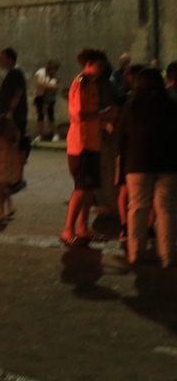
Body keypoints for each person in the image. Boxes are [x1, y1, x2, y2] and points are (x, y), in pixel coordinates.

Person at [115, 68, 177, 265]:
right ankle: (168, 255)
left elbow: (120, 138)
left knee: (138, 208)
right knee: (166, 209)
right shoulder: (172, 106)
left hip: (137, 163)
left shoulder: (131, 106)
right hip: (169, 163)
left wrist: (122, 166)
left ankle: (136, 253)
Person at [63, 49, 111, 246]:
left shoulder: (91, 84)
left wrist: (104, 119)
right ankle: (68, 230)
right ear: (88, 63)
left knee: (90, 189)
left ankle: (83, 228)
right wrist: (104, 115)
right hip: (80, 145)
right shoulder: (80, 84)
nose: (101, 70)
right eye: (99, 65)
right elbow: (80, 116)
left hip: (92, 143)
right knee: (81, 188)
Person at [0, 47, 29, 187]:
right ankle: (14, 178)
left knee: (17, 147)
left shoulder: (16, 73)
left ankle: (17, 179)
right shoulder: (13, 72)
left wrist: (10, 112)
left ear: (9, 58)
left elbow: (17, 93)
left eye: (1, 57)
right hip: (13, 116)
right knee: (13, 147)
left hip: (15, 117)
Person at [0, 115, 21, 220]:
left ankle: (1, 211)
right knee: (4, 188)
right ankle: (10, 207)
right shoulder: (13, 138)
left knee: (0, 190)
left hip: (1, 166)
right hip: (9, 167)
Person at [33, 60, 61, 142]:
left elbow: (56, 87)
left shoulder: (55, 77)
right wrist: (50, 86)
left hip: (49, 98)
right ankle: (39, 135)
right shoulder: (42, 72)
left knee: (51, 116)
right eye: (53, 69)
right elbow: (40, 83)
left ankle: (55, 134)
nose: (54, 71)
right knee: (40, 116)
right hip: (40, 96)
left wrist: (47, 86)